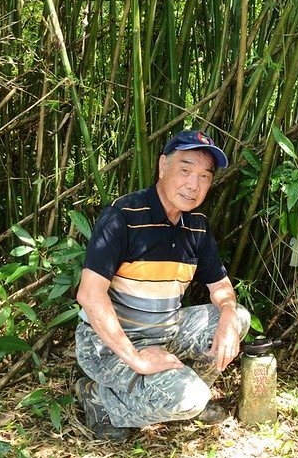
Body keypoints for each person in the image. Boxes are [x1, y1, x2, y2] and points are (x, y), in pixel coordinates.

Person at [73, 130, 251, 439]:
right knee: (190, 399)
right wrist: (136, 359)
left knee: (238, 318)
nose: (193, 185)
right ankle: (101, 399)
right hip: (109, 344)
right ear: (162, 166)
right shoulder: (122, 217)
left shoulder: (196, 226)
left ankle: (182, 394)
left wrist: (227, 316)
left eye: (204, 177)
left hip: (164, 332)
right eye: (185, 170)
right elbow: (89, 295)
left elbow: (221, 287)